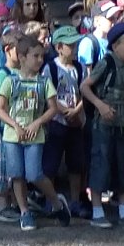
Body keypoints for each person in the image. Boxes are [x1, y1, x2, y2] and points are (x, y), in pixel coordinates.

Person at [0, 33, 60, 230]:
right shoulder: (10, 80)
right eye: (35, 56)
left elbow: (53, 108)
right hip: (13, 136)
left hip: (35, 135)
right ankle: (24, 212)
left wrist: (37, 122)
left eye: (42, 56)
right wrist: (14, 125)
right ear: (22, 57)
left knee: (34, 174)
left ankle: (56, 202)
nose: (40, 60)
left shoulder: (44, 82)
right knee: (16, 174)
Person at [82, 20, 124, 229]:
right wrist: (100, 105)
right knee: (101, 163)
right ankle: (97, 211)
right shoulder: (106, 63)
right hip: (104, 123)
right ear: (116, 45)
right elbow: (85, 86)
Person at [44, 25, 90, 215]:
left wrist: (76, 111)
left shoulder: (80, 67)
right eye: (70, 45)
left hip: (76, 122)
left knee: (76, 163)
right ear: (59, 47)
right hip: (56, 122)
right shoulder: (50, 68)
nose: (74, 48)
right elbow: (48, 95)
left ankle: (75, 201)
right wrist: (65, 111)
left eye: (75, 44)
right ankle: (50, 200)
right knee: (51, 163)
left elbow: (84, 91)